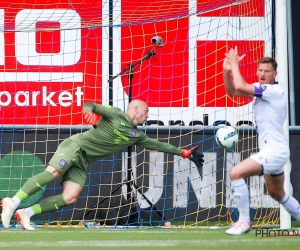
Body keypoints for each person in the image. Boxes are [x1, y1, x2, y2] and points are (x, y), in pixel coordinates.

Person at [1, 99, 204, 230]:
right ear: (135, 109)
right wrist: (88, 113)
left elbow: (159, 145)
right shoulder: (116, 114)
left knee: (70, 197)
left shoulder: (137, 135)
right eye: (146, 110)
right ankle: (13, 202)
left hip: (84, 161)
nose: (148, 115)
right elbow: (89, 104)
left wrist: (185, 153)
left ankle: (25, 213)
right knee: (52, 173)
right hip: (75, 146)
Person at [223, 46, 300, 235]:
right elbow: (232, 91)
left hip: (274, 151)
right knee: (277, 194)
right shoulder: (261, 92)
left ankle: (244, 221)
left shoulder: (273, 90)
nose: (263, 74)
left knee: (235, 173)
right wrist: (226, 71)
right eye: (260, 70)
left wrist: (234, 64)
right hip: (274, 151)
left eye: (267, 71)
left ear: (275, 73)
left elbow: (240, 86)